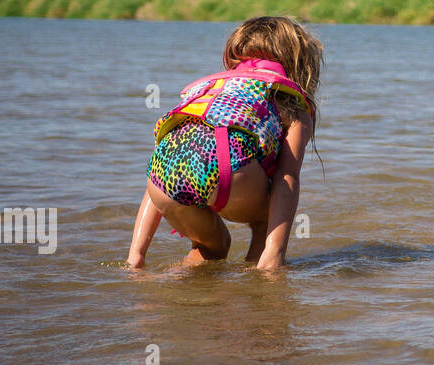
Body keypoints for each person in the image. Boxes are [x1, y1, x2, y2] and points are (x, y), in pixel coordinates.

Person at [125, 15, 322, 269]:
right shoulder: (291, 103)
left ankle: (177, 288)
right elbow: (287, 178)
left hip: (162, 179)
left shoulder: (214, 90)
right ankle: (262, 271)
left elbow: (167, 157)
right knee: (268, 214)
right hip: (227, 174)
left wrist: (137, 253)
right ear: (298, 65)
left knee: (212, 246)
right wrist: (276, 251)